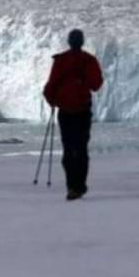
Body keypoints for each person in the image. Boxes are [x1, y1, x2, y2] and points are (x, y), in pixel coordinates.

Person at [43, 29, 103, 201]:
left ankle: (72, 186)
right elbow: (96, 84)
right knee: (81, 148)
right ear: (82, 42)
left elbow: (50, 85)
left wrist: (52, 100)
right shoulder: (89, 60)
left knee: (69, 149)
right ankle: (79, 185)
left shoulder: (60, 61)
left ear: (69, 42)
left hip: (66, 112)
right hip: (83, 111)